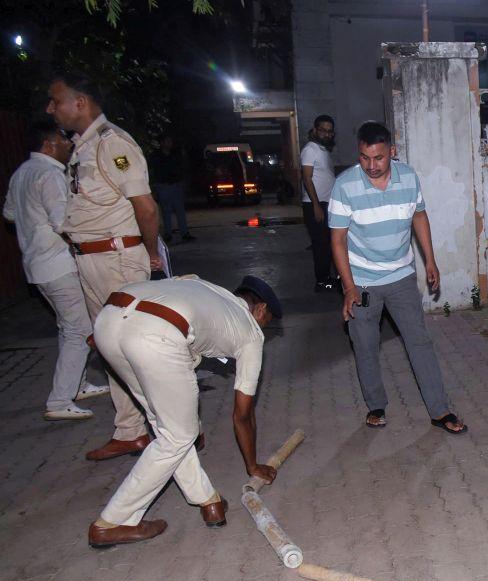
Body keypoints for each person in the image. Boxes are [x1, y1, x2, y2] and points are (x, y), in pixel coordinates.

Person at [87, 275, 281, 547]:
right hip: (155, 335)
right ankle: (113, 521)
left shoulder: (209, 286)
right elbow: (243, 415)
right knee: (179, 436)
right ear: (260, 309)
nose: (264, 328)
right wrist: (253, 466)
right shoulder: (251, 333)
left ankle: (208, 500)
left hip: (109, 319)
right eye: (267, 321)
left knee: (167, 426)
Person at [46, 72, 166, 461]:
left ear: (80, 103)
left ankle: (177, 427)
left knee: (134, 349)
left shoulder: (113, 144)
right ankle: (131, 431)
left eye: (56, 101)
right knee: (110, 348)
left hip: (117, 260)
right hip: (93, 260)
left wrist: (150, 253)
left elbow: (146, 208)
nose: (50, 108)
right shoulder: (82, 147)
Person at [329, 121, 466, 434]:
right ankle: (376, 405)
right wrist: (348, 287)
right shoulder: (345, 186)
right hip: (362, 280)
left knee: (419, 342)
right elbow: (337, 240)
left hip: (401, 275)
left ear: (391, 151)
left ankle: (440, 410)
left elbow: (419, 215)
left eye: (378, 158)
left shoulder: (408, 177)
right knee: (366, 346)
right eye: (364, 158)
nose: (371, 166)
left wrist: (430, 260)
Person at [3, 119, 109, 421]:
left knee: (69, 326)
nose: (68, 145)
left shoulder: (22, 172)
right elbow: (64, 222)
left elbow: (9, 214)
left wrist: (33, 223)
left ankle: (77, 384)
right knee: (81, 329)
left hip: (37, 263)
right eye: (63, 141)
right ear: (48, 144)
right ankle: (60, 400)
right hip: (57, 263)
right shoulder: (49, 174)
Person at [301, 115, 337, 292]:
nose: (327, 134)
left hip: (327, 203)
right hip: (315, 204)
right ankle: (322, 282)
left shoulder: (323, 150)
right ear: (315, 130)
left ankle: (328, 278)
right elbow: (307, 178)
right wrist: (316, 205)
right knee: (321, 245)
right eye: (323, 130)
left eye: (330, 131)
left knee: (329, 243)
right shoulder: (310, 149)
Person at [149, 134, 192, 243]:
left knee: (180, 210)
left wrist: (181, 181)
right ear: (162, 143)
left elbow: (181, 168)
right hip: (163, 185)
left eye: (170, 141)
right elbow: (155, 171)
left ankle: (184, 233)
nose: (170, 143)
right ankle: (168, 233)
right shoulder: (157, 156)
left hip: (175, 185)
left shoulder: (175, 154)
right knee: (166, 211)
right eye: (167, 141)